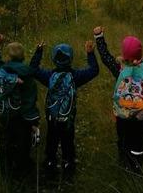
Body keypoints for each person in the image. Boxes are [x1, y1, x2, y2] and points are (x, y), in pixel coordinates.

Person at [93, 26, 143, 173]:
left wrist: (99, 37)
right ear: (140, 54)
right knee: (138, 140)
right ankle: (137, 166)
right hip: (140, 114)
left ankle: (123, 163)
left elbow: (105, 57)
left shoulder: (120, 69)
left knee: (122, 137)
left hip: (122, 113)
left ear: (123, 54)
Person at [29, 40, 100, 179]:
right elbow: (94, 70)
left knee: (52, 140)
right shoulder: (75, 76)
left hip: (52, 118)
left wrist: (38, 52)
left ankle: (50, 163)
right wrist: (90, 53)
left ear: (54, 59)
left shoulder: (49, 77)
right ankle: (68, 165)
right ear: (71, 58)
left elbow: (33, 69)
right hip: (68, 119)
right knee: (68, 141)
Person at [0, 34, 40, 180]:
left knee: (5, 143)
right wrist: (34, 121)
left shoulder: (1, 70)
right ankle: (22, 175)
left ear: (8, 57)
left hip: (4, 115)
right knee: (23, 146)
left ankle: (5, 174)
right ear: (23, 56)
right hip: (23, 117)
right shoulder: (28, 73)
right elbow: (30, 98)